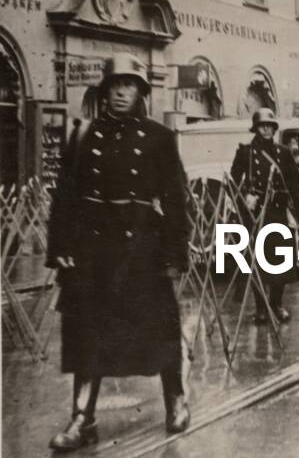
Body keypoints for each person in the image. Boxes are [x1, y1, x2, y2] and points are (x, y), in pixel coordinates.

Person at [46, 53, 190, 451]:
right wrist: (61, 247)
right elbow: (65, 196)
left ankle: (175, 398)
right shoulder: (85, 136)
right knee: (87, 335)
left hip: (142, 249)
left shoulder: (159, 137)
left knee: (160, 329)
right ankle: (82, 418)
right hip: (93, 252)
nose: (121, 92)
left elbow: (176, 201)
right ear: (104, 91)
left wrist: (175, 255)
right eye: (115, 86)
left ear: (141, 92)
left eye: (129, 85)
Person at [230, 108, 299, 323]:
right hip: (255, 216)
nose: (266, 129)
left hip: (277, 213)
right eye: (262, 125)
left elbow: (295, 185)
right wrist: (245, 196)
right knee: (257, 263)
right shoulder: (245, 152)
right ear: (255, 128)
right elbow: (232, 183)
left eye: (270, 125)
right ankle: (261, 307)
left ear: (274, 128)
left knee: (279, 262)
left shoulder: (283, 153)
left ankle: (276, 303)